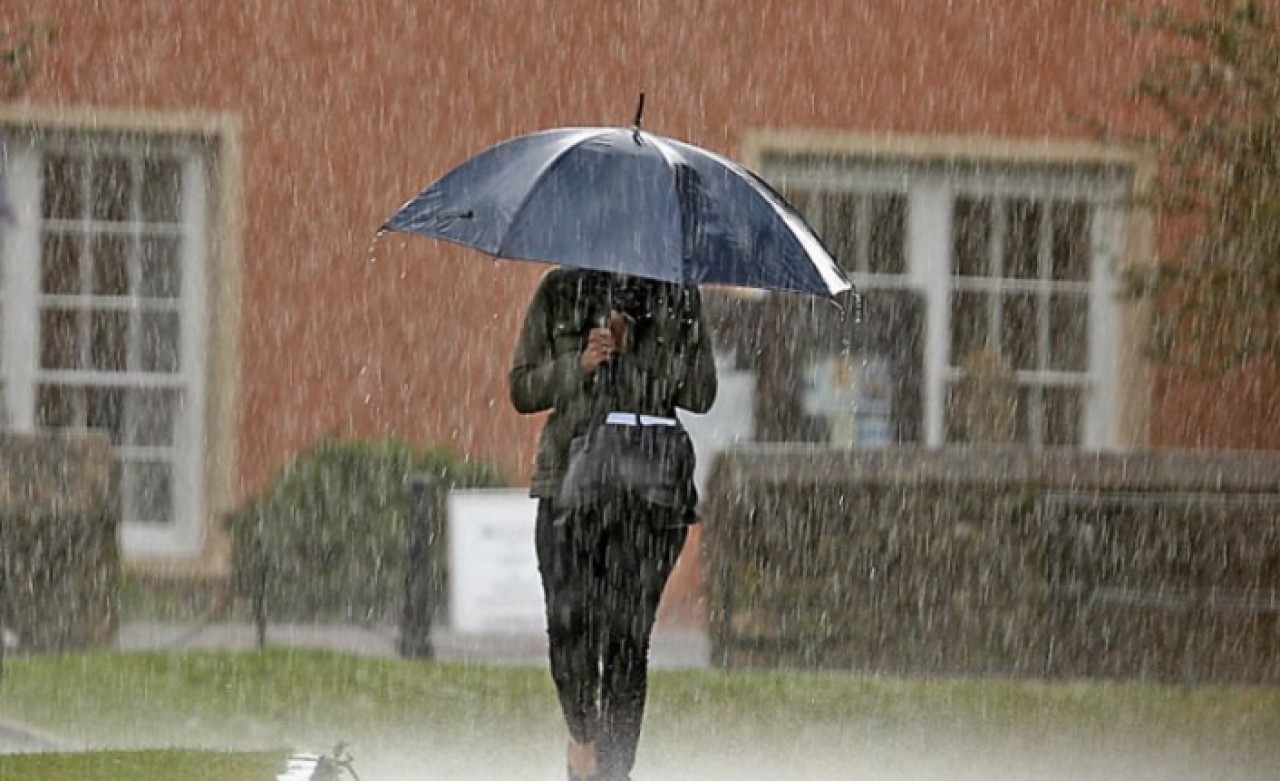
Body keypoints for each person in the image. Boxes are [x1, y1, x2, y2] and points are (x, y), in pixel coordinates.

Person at [509, 267, 717, 781]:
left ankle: (614, 773)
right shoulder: (561, 290)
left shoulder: (676, 294)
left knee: (626, 640)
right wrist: (579, 363)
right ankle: (583, 734)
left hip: (649, 496)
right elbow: (522, 388)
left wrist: (640, 348)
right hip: (567, 487)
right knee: (568, 623)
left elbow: (702, 392)